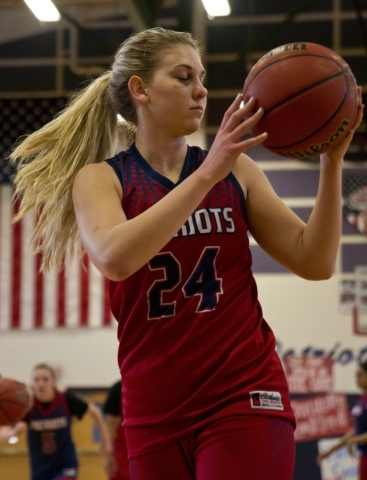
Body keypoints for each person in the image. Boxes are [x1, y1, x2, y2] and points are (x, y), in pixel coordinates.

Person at [9, 26, 363, 480]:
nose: (201, 90)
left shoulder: (236, 168)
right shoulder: (102, 179)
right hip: (154, 407)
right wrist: (206, 176)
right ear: (140, 90)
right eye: (183, 78)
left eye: (201, 78)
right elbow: (115, 257)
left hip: (243, 392)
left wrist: (331, 165)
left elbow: (314, 261)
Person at [0, 363, 111, 480]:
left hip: (65, 465)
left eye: (45, 379)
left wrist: (105, 440)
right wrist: (12, 433)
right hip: (39, 469)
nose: (40, 383)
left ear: (53, 381)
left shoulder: (65, 399)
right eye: (36, 379)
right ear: (32, 383)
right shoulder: (27, 405)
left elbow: (95, 411)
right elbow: (3, 434)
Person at [317, 360, 367, 480]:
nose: (356, 378)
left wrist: (355, 440)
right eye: (356, 375)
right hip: (364, 456)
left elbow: (355, 437)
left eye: (360, 375)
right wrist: (331, 450)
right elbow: (355, 430)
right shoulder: (361, 399)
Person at [103, 379, 130, 480]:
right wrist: (107, 454)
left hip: (147, 445)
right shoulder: (118, 388)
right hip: (122, 450)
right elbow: (110, 423)